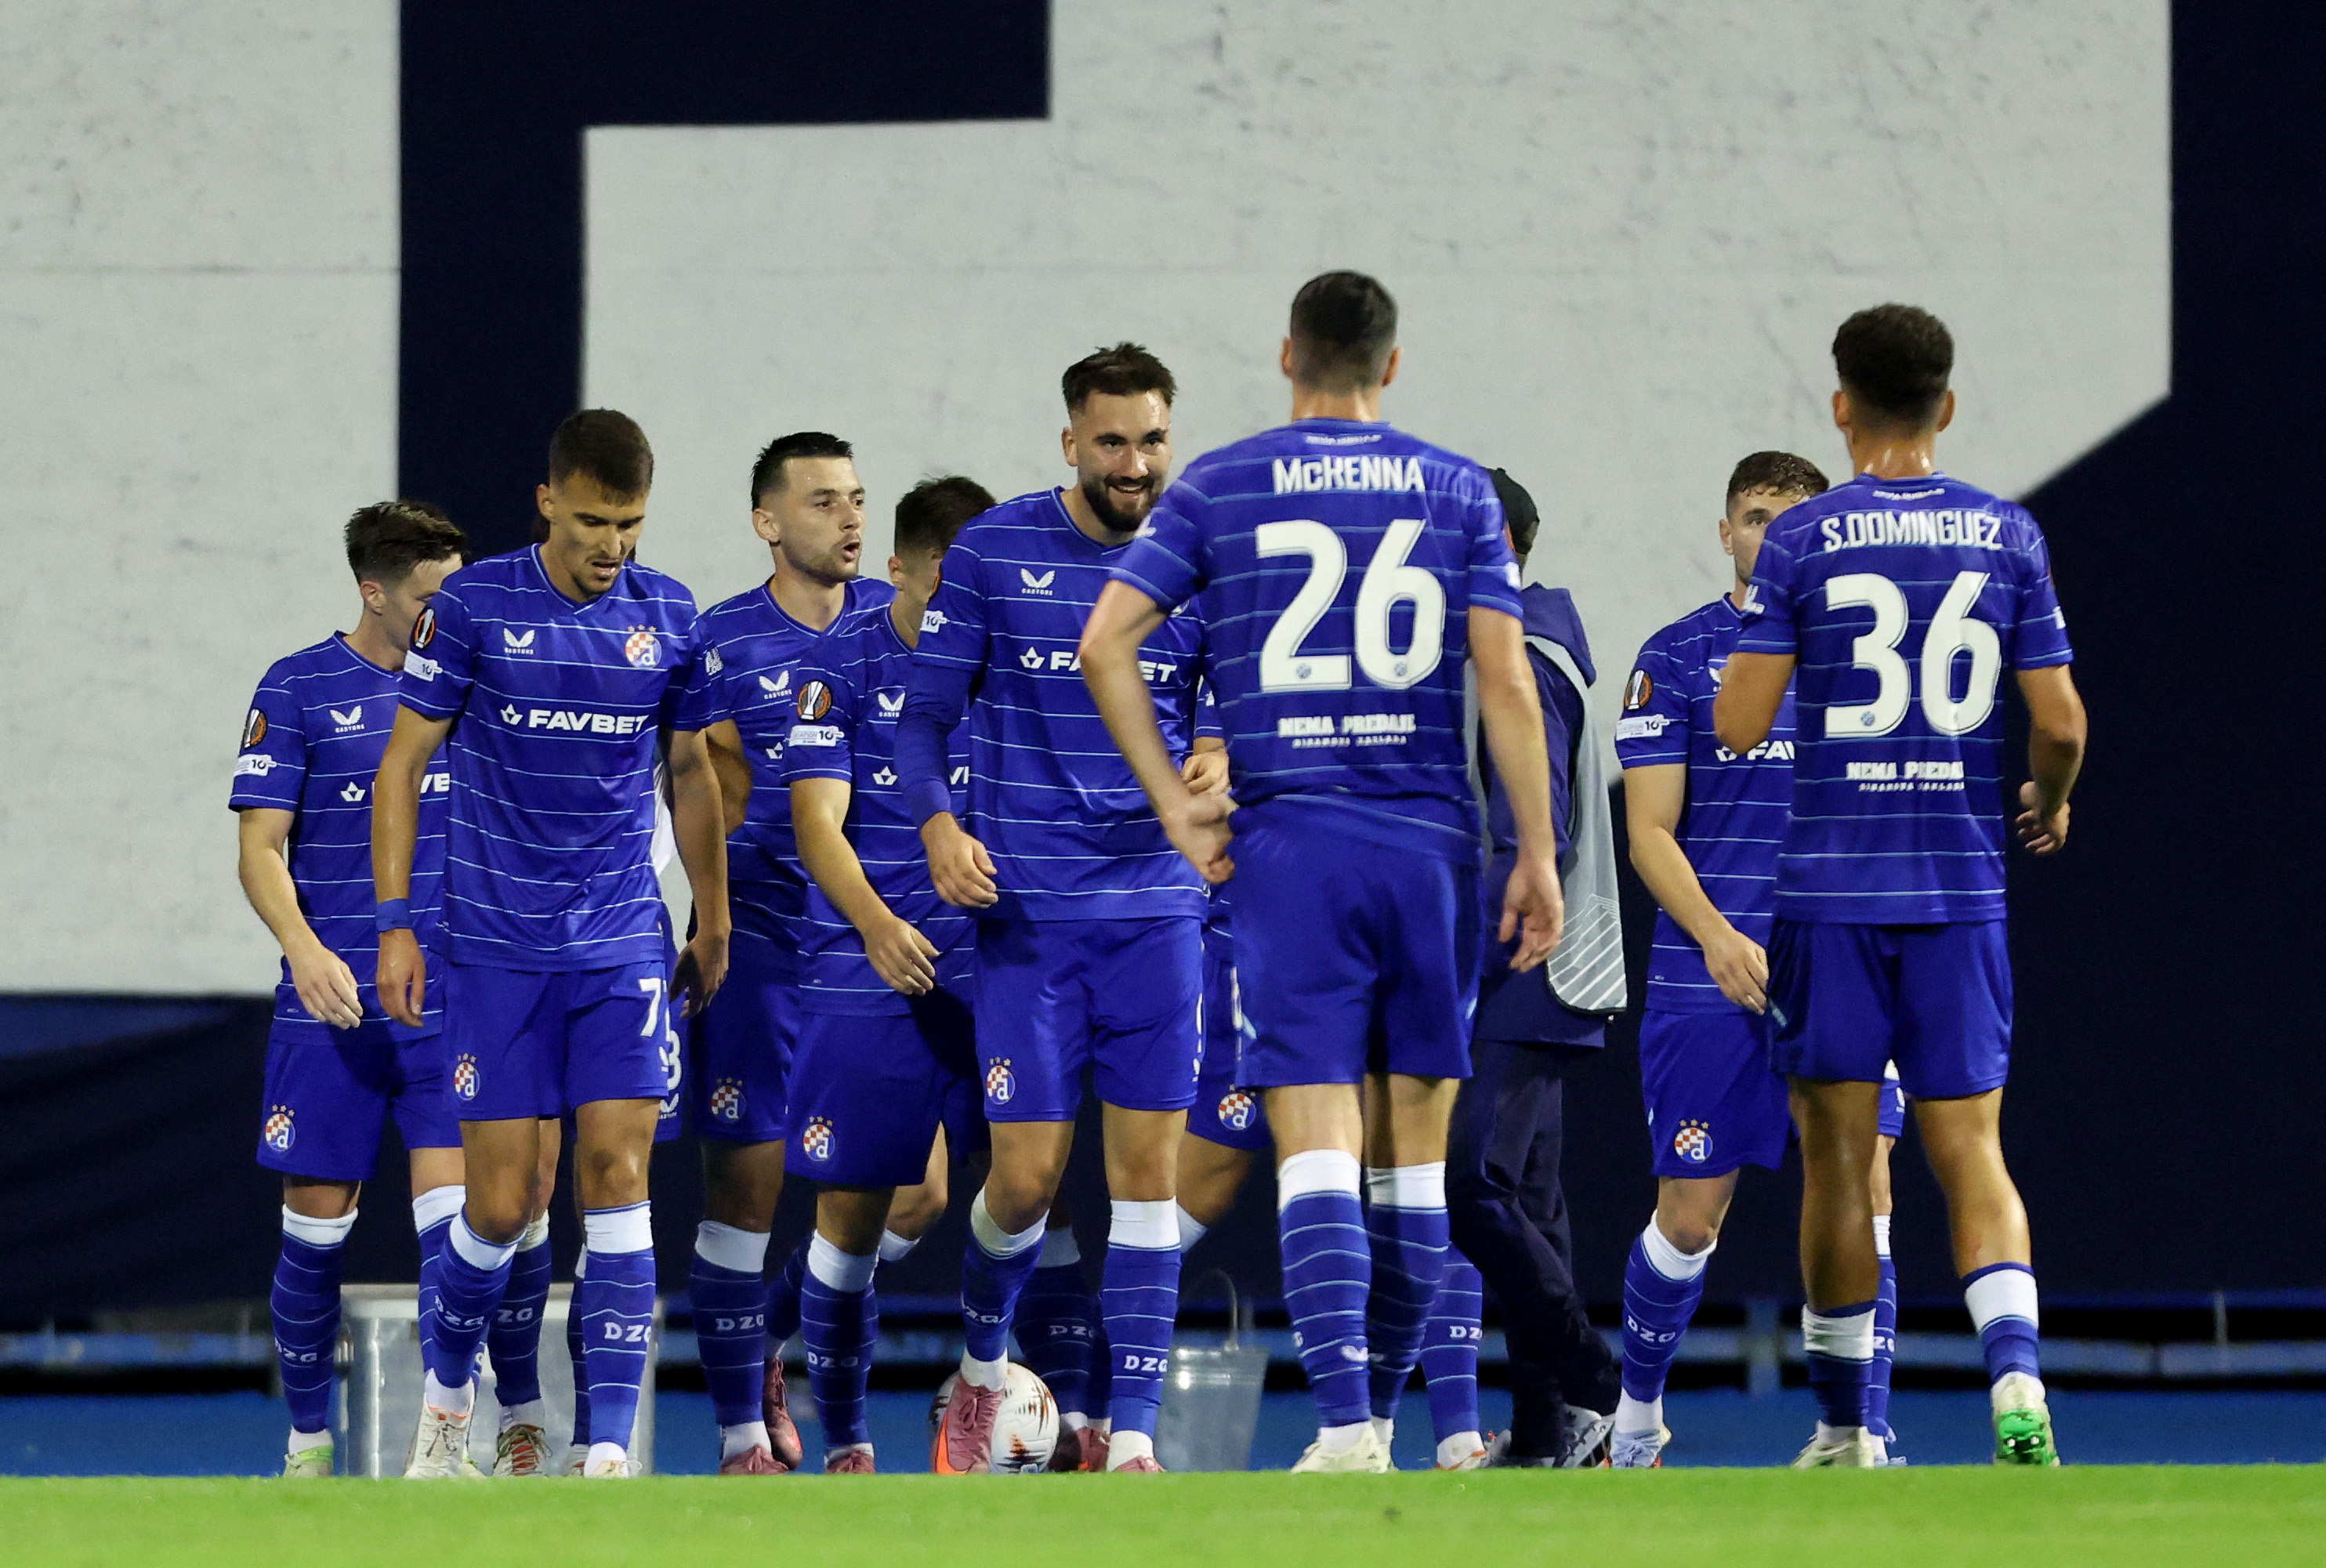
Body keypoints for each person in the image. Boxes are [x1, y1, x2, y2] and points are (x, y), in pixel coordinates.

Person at [1081, 271, 1563, 1474]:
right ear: (1391, 367)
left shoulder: (1223, 483)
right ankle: (1387, 1424)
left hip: (1294, 846)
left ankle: (1347, 1427)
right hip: (1434, 849)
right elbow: (1506, 685)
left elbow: (1106, 645)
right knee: (1413, 1167)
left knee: (1312, 1145)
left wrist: (1175, 813)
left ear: (1287, 352)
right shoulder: (1456, 488)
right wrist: (1541, 850)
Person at [1714, 304, 2085, 1467]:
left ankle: (1840, 1429)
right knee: (1972, 1149)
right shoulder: (2008, 535)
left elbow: (1737, 723)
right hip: (1959, 891)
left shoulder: (1802, 540)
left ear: (1840, 405)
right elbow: (2062, 722)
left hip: (1831, 895)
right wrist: (2051, 794)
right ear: (1948, 404)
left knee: (1835, 1160)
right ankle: (2017, 1389)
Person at [375, 410, 731, 1479]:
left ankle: (606, 1448)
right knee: (500, 1202)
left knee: (618, 1171)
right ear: (546, 502)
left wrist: (711, 913)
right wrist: (396, 927)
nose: (609, 546)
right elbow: (399, 769)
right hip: (491, 948)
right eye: (589, 521)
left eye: (627, 523)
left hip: (620, 942)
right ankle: (447, 1404)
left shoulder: (669, 613)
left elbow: (695, 774)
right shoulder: (476, 605)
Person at [900, 344, 1222, 1474]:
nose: (1136, 464)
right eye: (1113, 442)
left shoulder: (1202, 554)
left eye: (1152, 440)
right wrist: (939, 825)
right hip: (1029, 921)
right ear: (1070, 444)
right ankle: (984, 1369)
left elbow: (1230, 702)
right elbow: (919, 721)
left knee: (1146, 1180)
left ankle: (1130, 1436)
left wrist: (1223, 750)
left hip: (1158, 915)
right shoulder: (993, 552)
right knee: (1027, 1178)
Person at [231, 502, 467, 1478]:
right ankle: (307, 1444)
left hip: (442, 1002)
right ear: (374, 591)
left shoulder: (472, 681)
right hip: (327, 1009)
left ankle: (445, 1444)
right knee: (314, 1236)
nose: (443, 616)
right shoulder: (297, 687)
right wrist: (306, 950)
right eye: (427, 598)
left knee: (458, 1240)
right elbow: (257, 849)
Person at [1611, 451, 1836, 1468]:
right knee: (1690, 1220)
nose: (1770, 536)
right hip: (1707, 974)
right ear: (1725, 533)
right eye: (1754, 517)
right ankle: (1638, 1418)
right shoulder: (1677, 656)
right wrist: (1715, 934)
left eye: (1793, 521)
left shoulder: (1866, 665)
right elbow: (1649, 830)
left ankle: (1856, 1430)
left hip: (1836, 969)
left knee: (1861, 1191)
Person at [681, 432, 894, 1474]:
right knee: (746, 1201)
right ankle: (737, 1438)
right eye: (823, 503)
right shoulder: (715, 643)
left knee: (918, 1191)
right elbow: (691, 798)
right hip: (762, 946)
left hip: (875, 957)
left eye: (857, 499)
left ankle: (775, 1339)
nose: (852, 519)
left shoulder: (904, 634)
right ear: (769, 521)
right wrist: (704, 919)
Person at [781, 476, 998, 1474]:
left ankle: (1028, 1406)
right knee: (872, 1207)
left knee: (1028, 1189)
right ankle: (846, 1440)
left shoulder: (1010, 661)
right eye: (947, 578)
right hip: (872, 968)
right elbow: (816, 823)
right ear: (901, 569)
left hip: (993, 966)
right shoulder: (840, 667)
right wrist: (872, 925)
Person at [1442, 468, 1629, 1469]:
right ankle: (1553, 1434)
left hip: (1519, 957)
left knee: (1462, 1183)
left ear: (1496, 544)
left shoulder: (1522, 653)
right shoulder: (1504, 642)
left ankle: (1602, 1384)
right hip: (1527, 961)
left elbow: (1535, 828)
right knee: (1529, 1201)